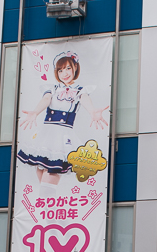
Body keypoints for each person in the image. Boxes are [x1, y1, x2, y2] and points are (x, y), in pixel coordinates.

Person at [18, 51, 108, 190]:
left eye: (68, 68)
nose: (64, 73)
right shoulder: (52, 88)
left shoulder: (80, 90)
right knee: (42, 175)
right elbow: (46, 99)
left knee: (49, 180)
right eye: (60, 70)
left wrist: (92, 111)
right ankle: (46, 210)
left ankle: (47, 209)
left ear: (75, 68)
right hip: (46, 134)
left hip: (62, 137)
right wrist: (35, 112)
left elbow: (84, 99)